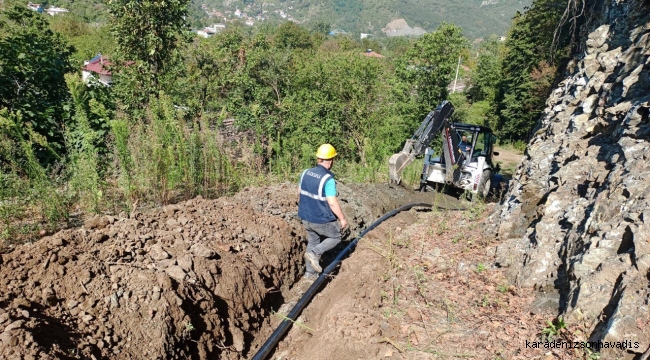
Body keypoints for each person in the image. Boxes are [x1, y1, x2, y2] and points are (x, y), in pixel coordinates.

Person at [298, 144, 348, 280]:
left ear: (319, 158)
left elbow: (300, 193)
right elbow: (332, 202)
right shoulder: (328, 180)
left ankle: (310, 274)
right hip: (319, 219)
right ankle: (315, 253)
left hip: (305, 216)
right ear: (331, 160)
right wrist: (342, 219)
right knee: (336, 237)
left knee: (313, 240)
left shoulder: (305, 173)